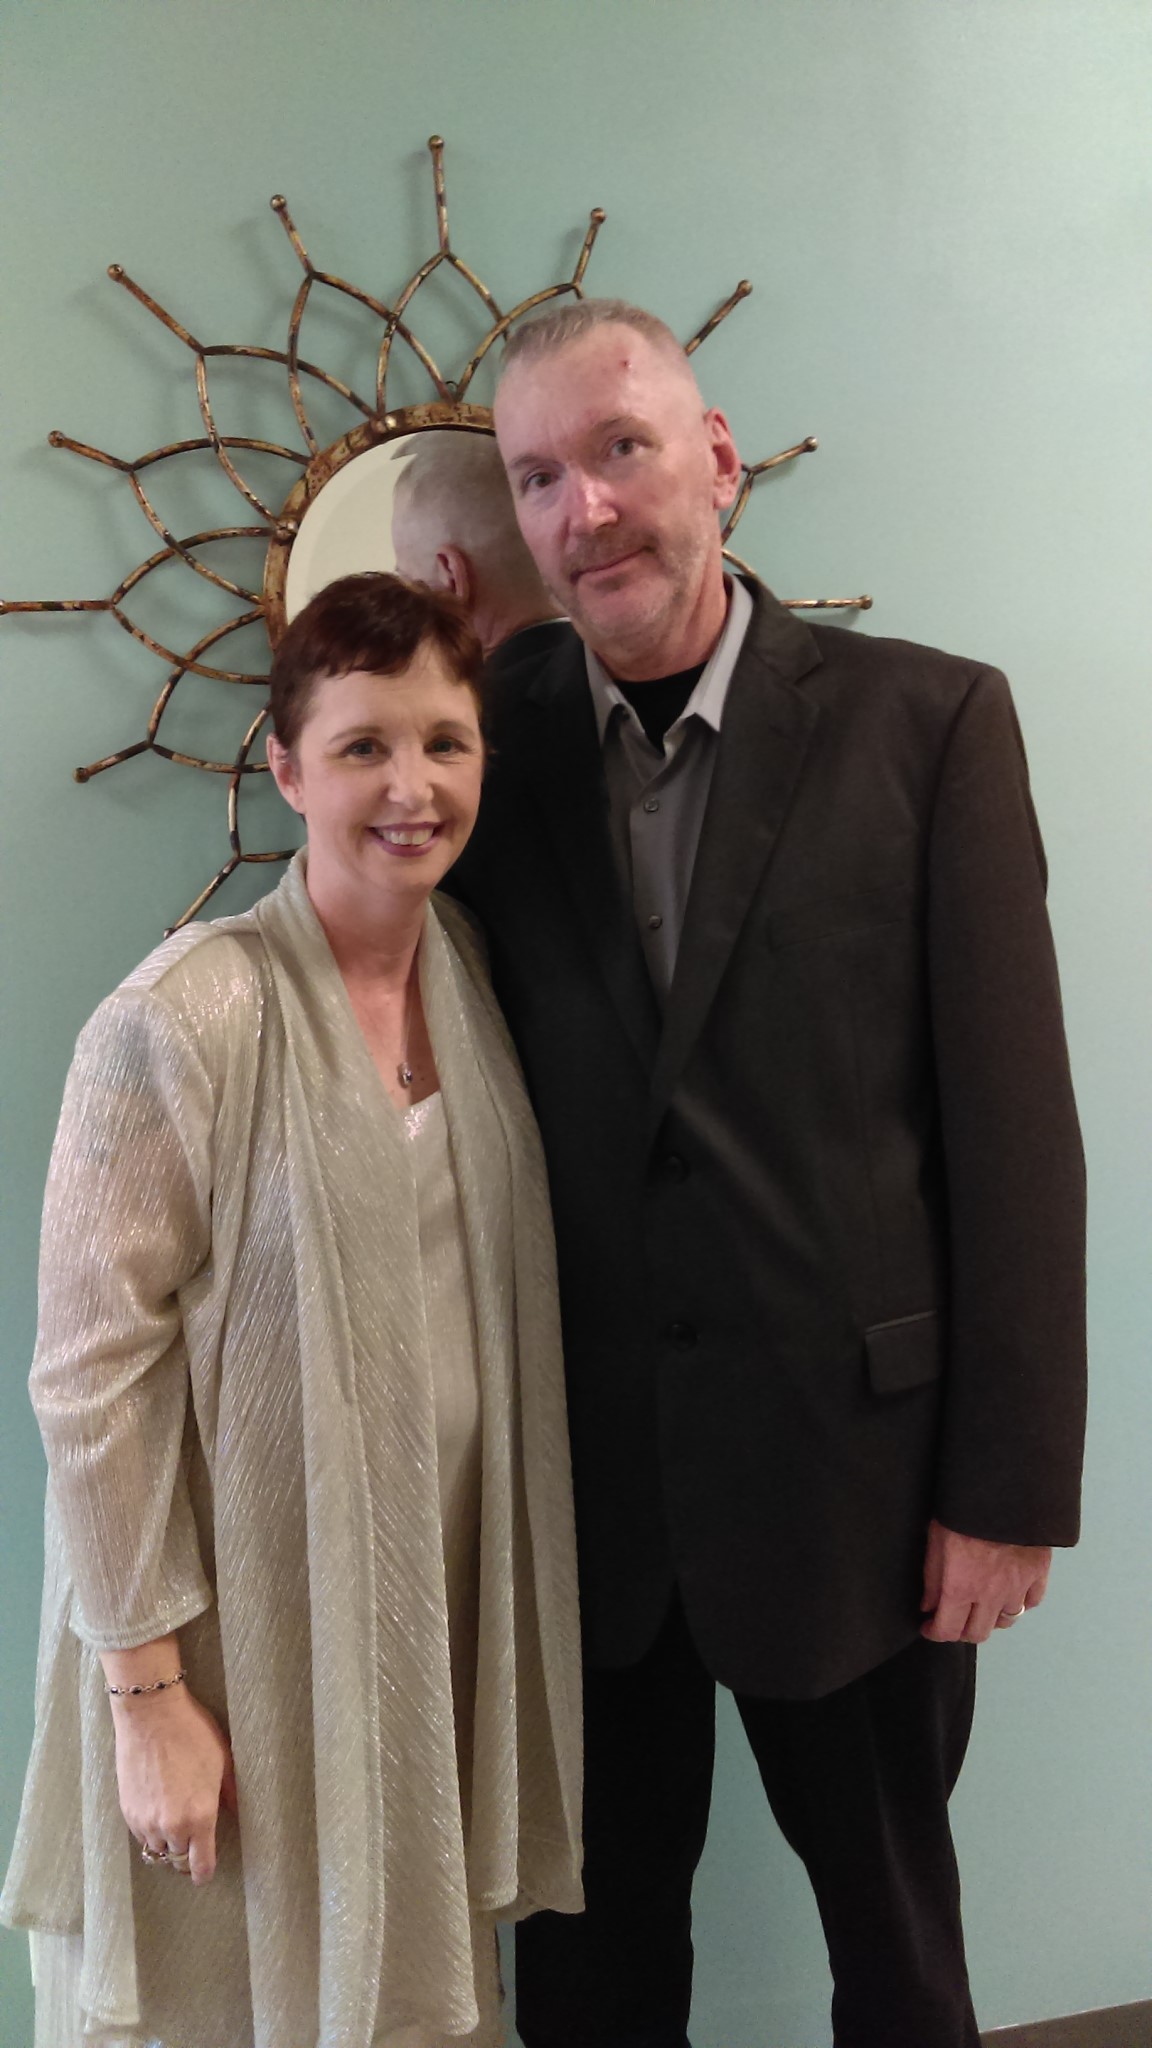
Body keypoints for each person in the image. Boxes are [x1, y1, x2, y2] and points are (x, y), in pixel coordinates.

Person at [443, 299, 1088, 2048]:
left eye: (620, 449)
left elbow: (1014, 1127)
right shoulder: (481, 737)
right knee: (589, 1968)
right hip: (586, 1494)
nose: (584, 508)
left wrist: (1008, 1485)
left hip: (861, 1482)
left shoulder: (929, 722)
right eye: (537, 478)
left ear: (717, 458)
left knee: (896, 1950)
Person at [1, 573, 582, 2048]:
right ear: (286, 768)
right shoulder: (182, 1016)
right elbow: (86, 1378)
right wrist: (148, 1700)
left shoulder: (469, 975)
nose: (411, 787)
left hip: (419, 1605)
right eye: (362, 746)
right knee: (239, 2000)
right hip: (239, 1642)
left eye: (444, 742)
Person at [391, 432, 569, 685]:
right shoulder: (615, 669)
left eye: (409, 582)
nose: (406, 607)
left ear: (452, 579)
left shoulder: (475, 708)